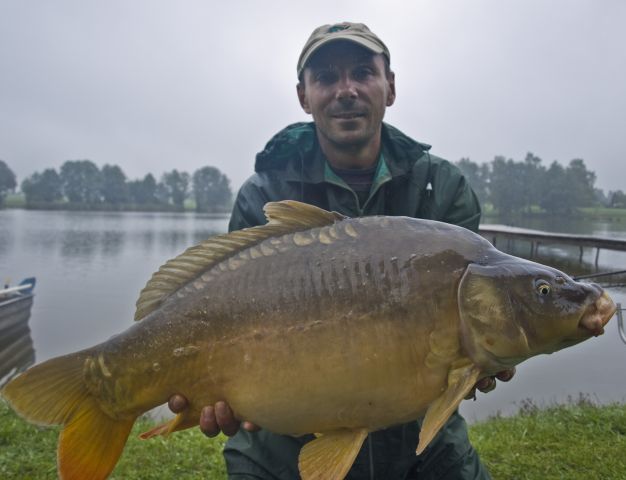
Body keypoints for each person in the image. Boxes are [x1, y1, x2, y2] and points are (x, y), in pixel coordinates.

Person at [169, 22, 515, 479]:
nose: (346, 90)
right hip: (279, 440)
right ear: (303, 95)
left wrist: (485, 357)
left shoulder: (441, 189)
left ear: (389, 86)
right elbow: (226, 319)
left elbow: (468, 340)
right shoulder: (264, 193)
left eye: (362, 73)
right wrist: (218, 393)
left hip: (419, 440)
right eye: (327, 77)